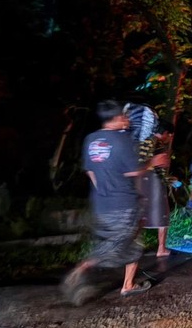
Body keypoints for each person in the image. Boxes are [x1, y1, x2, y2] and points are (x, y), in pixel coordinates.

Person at [63, 99, 150, 300]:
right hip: (123, 204)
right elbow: (134, 170)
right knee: (123, 245)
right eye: (124, 116)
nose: (127, 119)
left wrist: (104, 190)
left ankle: (127, 283)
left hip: (101, 204)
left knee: (127, 241)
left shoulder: (90, 140)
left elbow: (90, 172)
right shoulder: (122, 141)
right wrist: (153, 162)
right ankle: (82, 270)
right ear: (117, 118)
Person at [136, 120, 174, 257]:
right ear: (165, 133)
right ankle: (161, 248)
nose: (169, 139)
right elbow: (160, 169)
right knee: (162, 214)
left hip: (140, 182)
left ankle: (135, 247)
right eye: (170, 136)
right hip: (154, 183)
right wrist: (167, 180)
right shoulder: (158, 145)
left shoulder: (144, 141)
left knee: (141, 215)